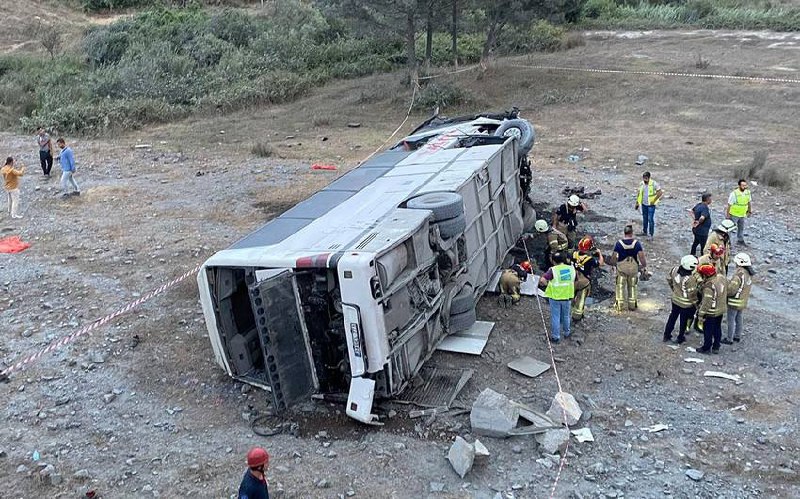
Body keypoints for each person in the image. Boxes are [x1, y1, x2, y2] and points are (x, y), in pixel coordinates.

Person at [539, 252, 576, 344]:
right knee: (566, 316)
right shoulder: (571, 269)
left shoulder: (553, 270)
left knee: (555, 316)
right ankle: (567, 333)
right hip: (567, 297)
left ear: (553, 261)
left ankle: (556, 337)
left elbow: (542, 280)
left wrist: (547, 284)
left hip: (555, 297)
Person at [610, 225, 647, 311]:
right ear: (631, 233)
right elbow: (641, 256)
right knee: (632, 286)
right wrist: (644, 265)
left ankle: (620, 304)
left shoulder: (619, 243)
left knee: (620, 285)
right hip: (633, 268)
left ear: (624, 233)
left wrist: (613, 264)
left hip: (622, 268)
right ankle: (632, 305)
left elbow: (614, 256)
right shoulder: (636, 243)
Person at [663, 255, 699, 344]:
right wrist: (696, 303)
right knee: (683, 320)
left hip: (675, 300)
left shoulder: (674, 269)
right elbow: (692, 294)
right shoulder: (690, 279)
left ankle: (666, 335)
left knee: (672, 317)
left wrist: (674, 290)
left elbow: (669, 279)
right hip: (685, 304)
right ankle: (680, 337)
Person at [696, 263, 727, 354]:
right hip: (720, 309)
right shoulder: (721, 278)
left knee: (708, 330)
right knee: (717, 328)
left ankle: (706, 348)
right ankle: (716, 346)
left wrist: (700, 314)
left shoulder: (709, 286)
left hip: (711, 312)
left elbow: (706, 303)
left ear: (705, 275)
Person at [571, 235, 603, 321]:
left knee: (571, 298)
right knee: (581, 300)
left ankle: (568, 313)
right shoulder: (590, 259)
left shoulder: (573, 254)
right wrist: (599, 253)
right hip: (584, 282)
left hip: (573, 280)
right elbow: (600, 263)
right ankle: (577, 316)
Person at [724, 252, 753, 344]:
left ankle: (729, 339)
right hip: (742, 301)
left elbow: (732, 289)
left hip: (734, 301)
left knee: (731, 320)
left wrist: (725, 292)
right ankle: (737, 336)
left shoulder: (738, 275)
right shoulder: (749, 274)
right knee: (739, 318)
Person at [634, 171, 663, 238]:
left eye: (646, 178)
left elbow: (660, 192)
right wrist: (637, 203)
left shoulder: (654, 184)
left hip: (651, 205)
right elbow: (639, 194)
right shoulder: (641, 184)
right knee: (645, 218)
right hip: (644, 204)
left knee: (650, 219)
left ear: (649, 178)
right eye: (644, 178)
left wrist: (654, 200)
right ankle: (644, 231)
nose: (645, 180)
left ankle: (651, 234)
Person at [726, 179, 752, 247]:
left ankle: (740, 240)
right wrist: (728, 214)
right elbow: (729, 205)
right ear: (739, 185)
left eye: (745, 185)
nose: (744, 187)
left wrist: (749, 211)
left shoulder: (747, 192)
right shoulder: (734, 194)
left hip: (742, 214)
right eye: (743, 185)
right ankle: (727, 242)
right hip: (734, 214)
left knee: (741, 228)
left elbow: (749, 202)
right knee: (730, 228)